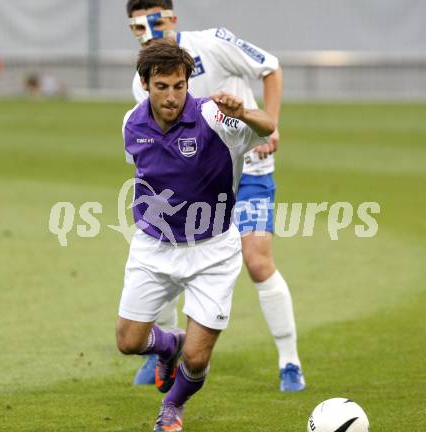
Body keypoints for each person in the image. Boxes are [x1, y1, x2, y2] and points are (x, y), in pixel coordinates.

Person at [126, 0, 306, 392]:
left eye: (154, 21)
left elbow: (270, 67)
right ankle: (167, 349)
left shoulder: (212, 43)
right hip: (197, 185)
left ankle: (289, 361)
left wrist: (270, 126)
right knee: (167, 244)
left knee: (257, 262)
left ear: (172, 18)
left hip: (250, 168)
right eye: (137, 26)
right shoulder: (141, 80)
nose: (148, 31)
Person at [117, 40, 275, 432]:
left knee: (199, 359)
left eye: (179, 86)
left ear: (189, 83)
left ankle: (172, 406)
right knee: (128, 342)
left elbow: (268, 127)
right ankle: (168, 345)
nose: (171, 97)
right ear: (145, 84)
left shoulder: (213, 117)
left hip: (213, 251)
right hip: (154, 246)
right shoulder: (131, 123)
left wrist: (245, 113)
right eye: (161, 87)